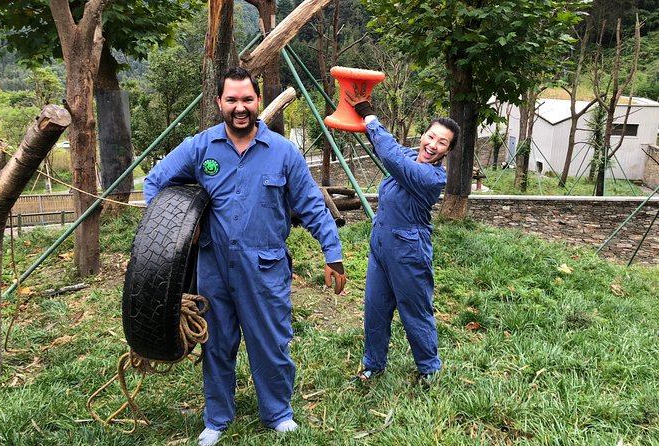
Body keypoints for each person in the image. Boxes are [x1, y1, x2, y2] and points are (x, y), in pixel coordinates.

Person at [143, 67, 347, 446]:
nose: (240, 108)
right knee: (217, 344)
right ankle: (217, 419)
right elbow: (154, 182)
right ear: (219, 102)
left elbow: (312, 206)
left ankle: (277, 413)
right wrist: (180, 227)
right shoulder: (201, 147)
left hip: (265, 268)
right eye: (232, 100)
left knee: (271, 343)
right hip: (213, 268)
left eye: (247, 99)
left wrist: (332, 252)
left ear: (258, 102)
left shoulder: (283, 153)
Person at [345, 84, 460, 384]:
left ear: (448, 151)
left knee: (415, 312)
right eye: (431, 136)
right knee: (375, 309)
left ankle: (429, 368)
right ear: (423, 135)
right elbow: (390, 150)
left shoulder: (431, 177)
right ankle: (373, 363)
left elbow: (391, 156)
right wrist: (358, 120)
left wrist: (370, 117)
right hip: (381, 247)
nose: (433, 145)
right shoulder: (408, 155)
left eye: (442, 143)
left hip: (409, 251)